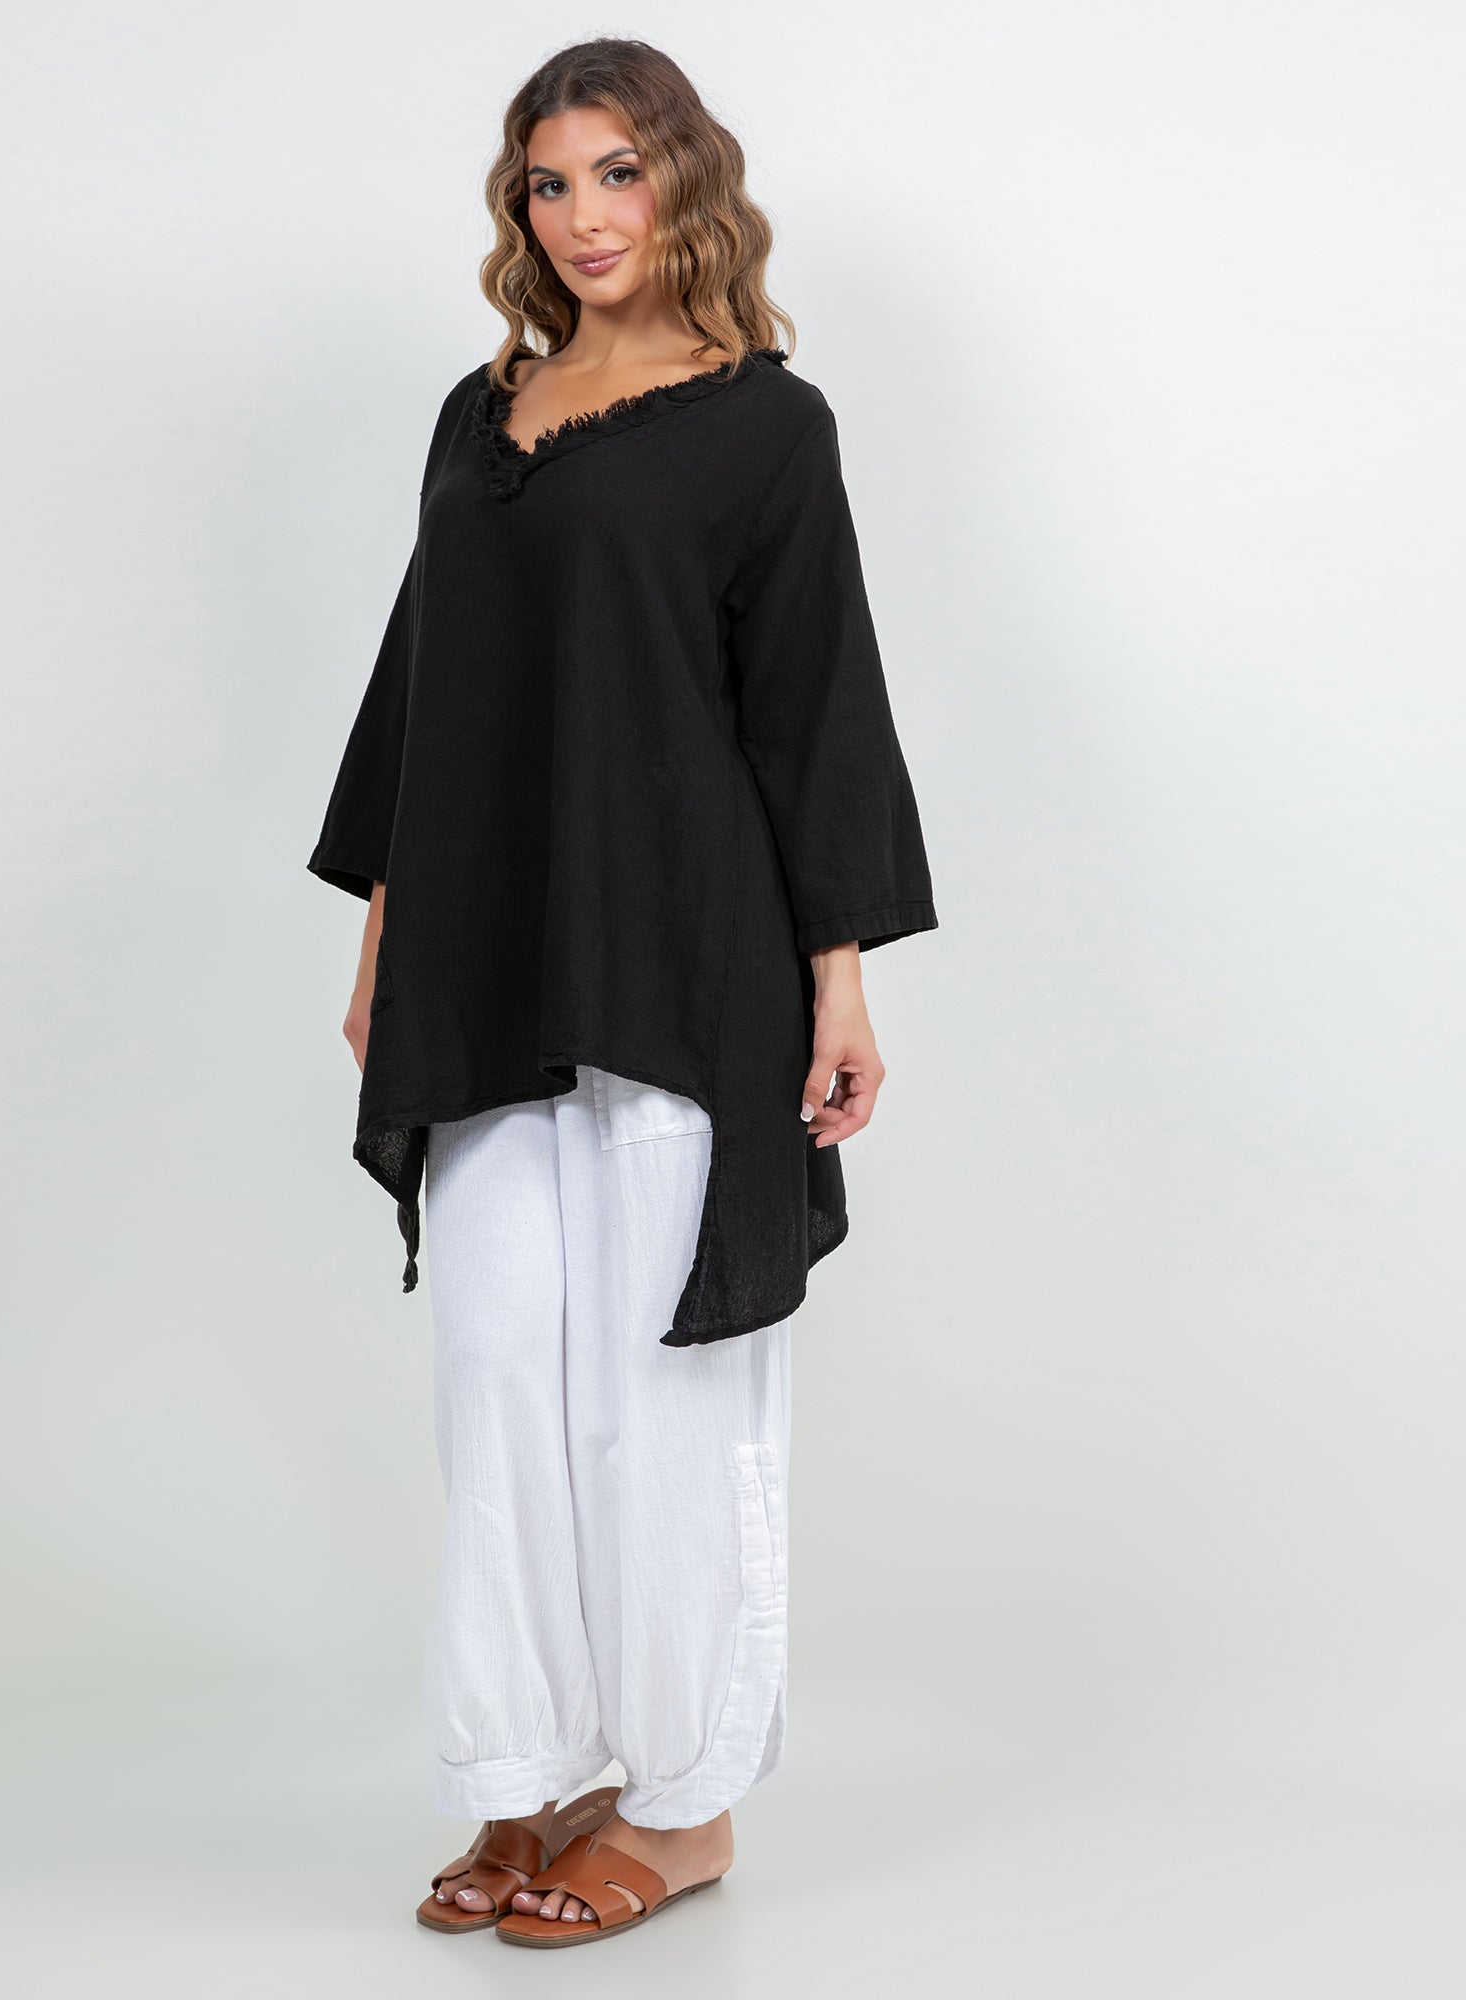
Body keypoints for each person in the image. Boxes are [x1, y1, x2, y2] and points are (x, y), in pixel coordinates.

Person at [307, 37, 937, 1950]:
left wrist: (838, 982)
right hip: (488, 955)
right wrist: (385, 936)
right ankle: (529, 1764)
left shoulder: (765, 424)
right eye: (546, 183)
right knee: (499, 1370)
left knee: (657, 1396)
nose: (580, 217)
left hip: (684, 956)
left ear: (684, 184)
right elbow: (426, 687)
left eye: (614, 175)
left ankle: (683, 1804)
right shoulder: (480, 413)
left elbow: (812, 703)